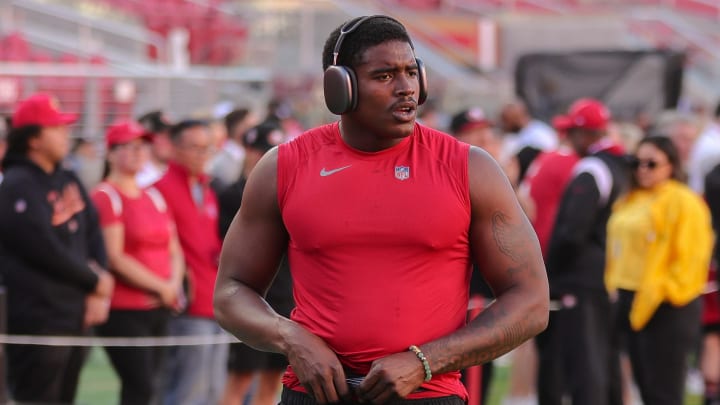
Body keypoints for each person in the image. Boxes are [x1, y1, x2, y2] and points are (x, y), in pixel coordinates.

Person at [214, 15, 549, 405]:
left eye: (411, 72)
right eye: (385, 76)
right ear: (341, 88)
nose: (407, 89)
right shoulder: (284, 166)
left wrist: (424, 362)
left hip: (428, 396)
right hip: (314, 395)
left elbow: (531, 302)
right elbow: (231, 291)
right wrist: (291, 338)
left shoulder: (469, 168)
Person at [0, 93, 114, 403]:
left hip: (75, 311)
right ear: (34, 139)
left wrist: (98, 284)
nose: (66, 135)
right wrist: (95, 281)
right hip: (38, 315)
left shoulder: (68, 177)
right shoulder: (16, 184)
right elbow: (41, 248)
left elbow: (93, 231)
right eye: (56, 128)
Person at [606, 135, 713, 405]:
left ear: (670, 165)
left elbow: (691, 258)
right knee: (645, 386)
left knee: (663, 392)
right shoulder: (631, 198)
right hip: (631, 298)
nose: (642, 169)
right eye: (636, 162)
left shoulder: (684, 201)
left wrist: (664, 291)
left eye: (651, 163)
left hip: (667, 305)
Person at [537, 98, 626, 405]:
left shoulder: (592, 168)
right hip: (607, 274)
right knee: (603, 359)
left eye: (572, 133)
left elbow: (572, 231)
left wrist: (552, 272)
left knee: (584, 365)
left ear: (587, 135)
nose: (568, 140)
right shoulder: (617, 165)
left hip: (581, 278)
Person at [90, 120, 186, 405]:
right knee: (140, 387)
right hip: (125, 307)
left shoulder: (153, 196)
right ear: (111, 152)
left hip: (160, 305)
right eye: (128, 147)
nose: (137, 152)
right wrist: (162, 287)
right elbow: (114, 256)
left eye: (142, 146)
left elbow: (174, 248)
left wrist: (172, 285)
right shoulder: (106, 196)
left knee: (152, 387)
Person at [217, 122, 293, 405]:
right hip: (252, 297)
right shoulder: (233, 194)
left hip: (285, 293)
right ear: (248, 151)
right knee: (241, 378)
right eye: (259, 150)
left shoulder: (287, 188)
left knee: (274, 381)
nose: (263, 156)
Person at [155, 119, 227, 405]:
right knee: (187, 390)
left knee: (213, 390)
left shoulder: (206, 189)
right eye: (194, 148)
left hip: (216, 302)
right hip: (189, 304)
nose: (202, 155)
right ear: (174, 148)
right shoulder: (160, 189)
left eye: (206, 148)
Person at [208, 108, 255, 192]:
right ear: (238, 128)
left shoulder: (240, 155)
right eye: (250, 126)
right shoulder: (226, 159)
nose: (254, 131)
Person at [136, 110, 174, 187]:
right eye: (162, 135)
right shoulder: (136, 178)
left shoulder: (175, 171)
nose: (169, 140)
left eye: (171, 135)